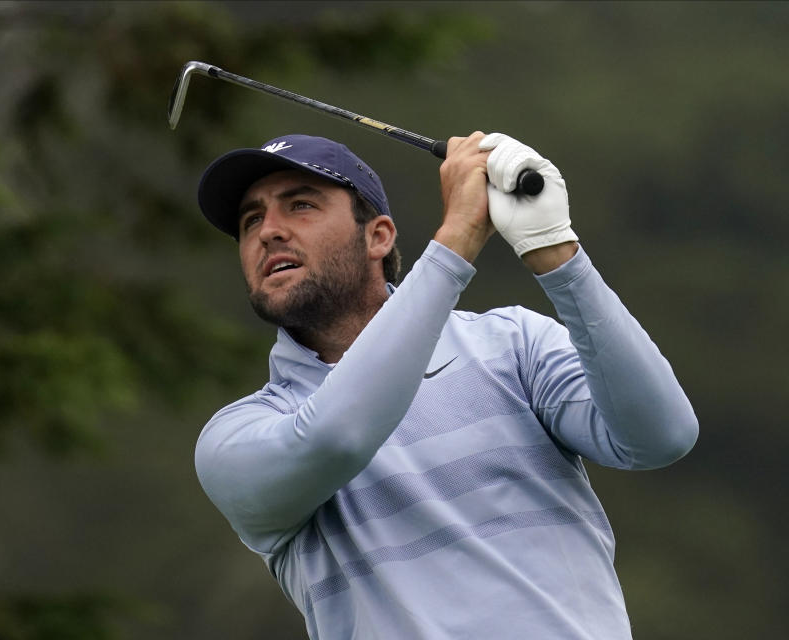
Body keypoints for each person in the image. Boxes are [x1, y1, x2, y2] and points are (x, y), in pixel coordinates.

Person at [193, 131, 698, 640]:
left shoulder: (513, 345)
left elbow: (661, 436)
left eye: (300, 205)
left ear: (378, 237)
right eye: (251, 220)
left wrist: (559, 256)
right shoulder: (238, 437)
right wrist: (457, 238)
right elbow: (337, 435)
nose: (268, 232)